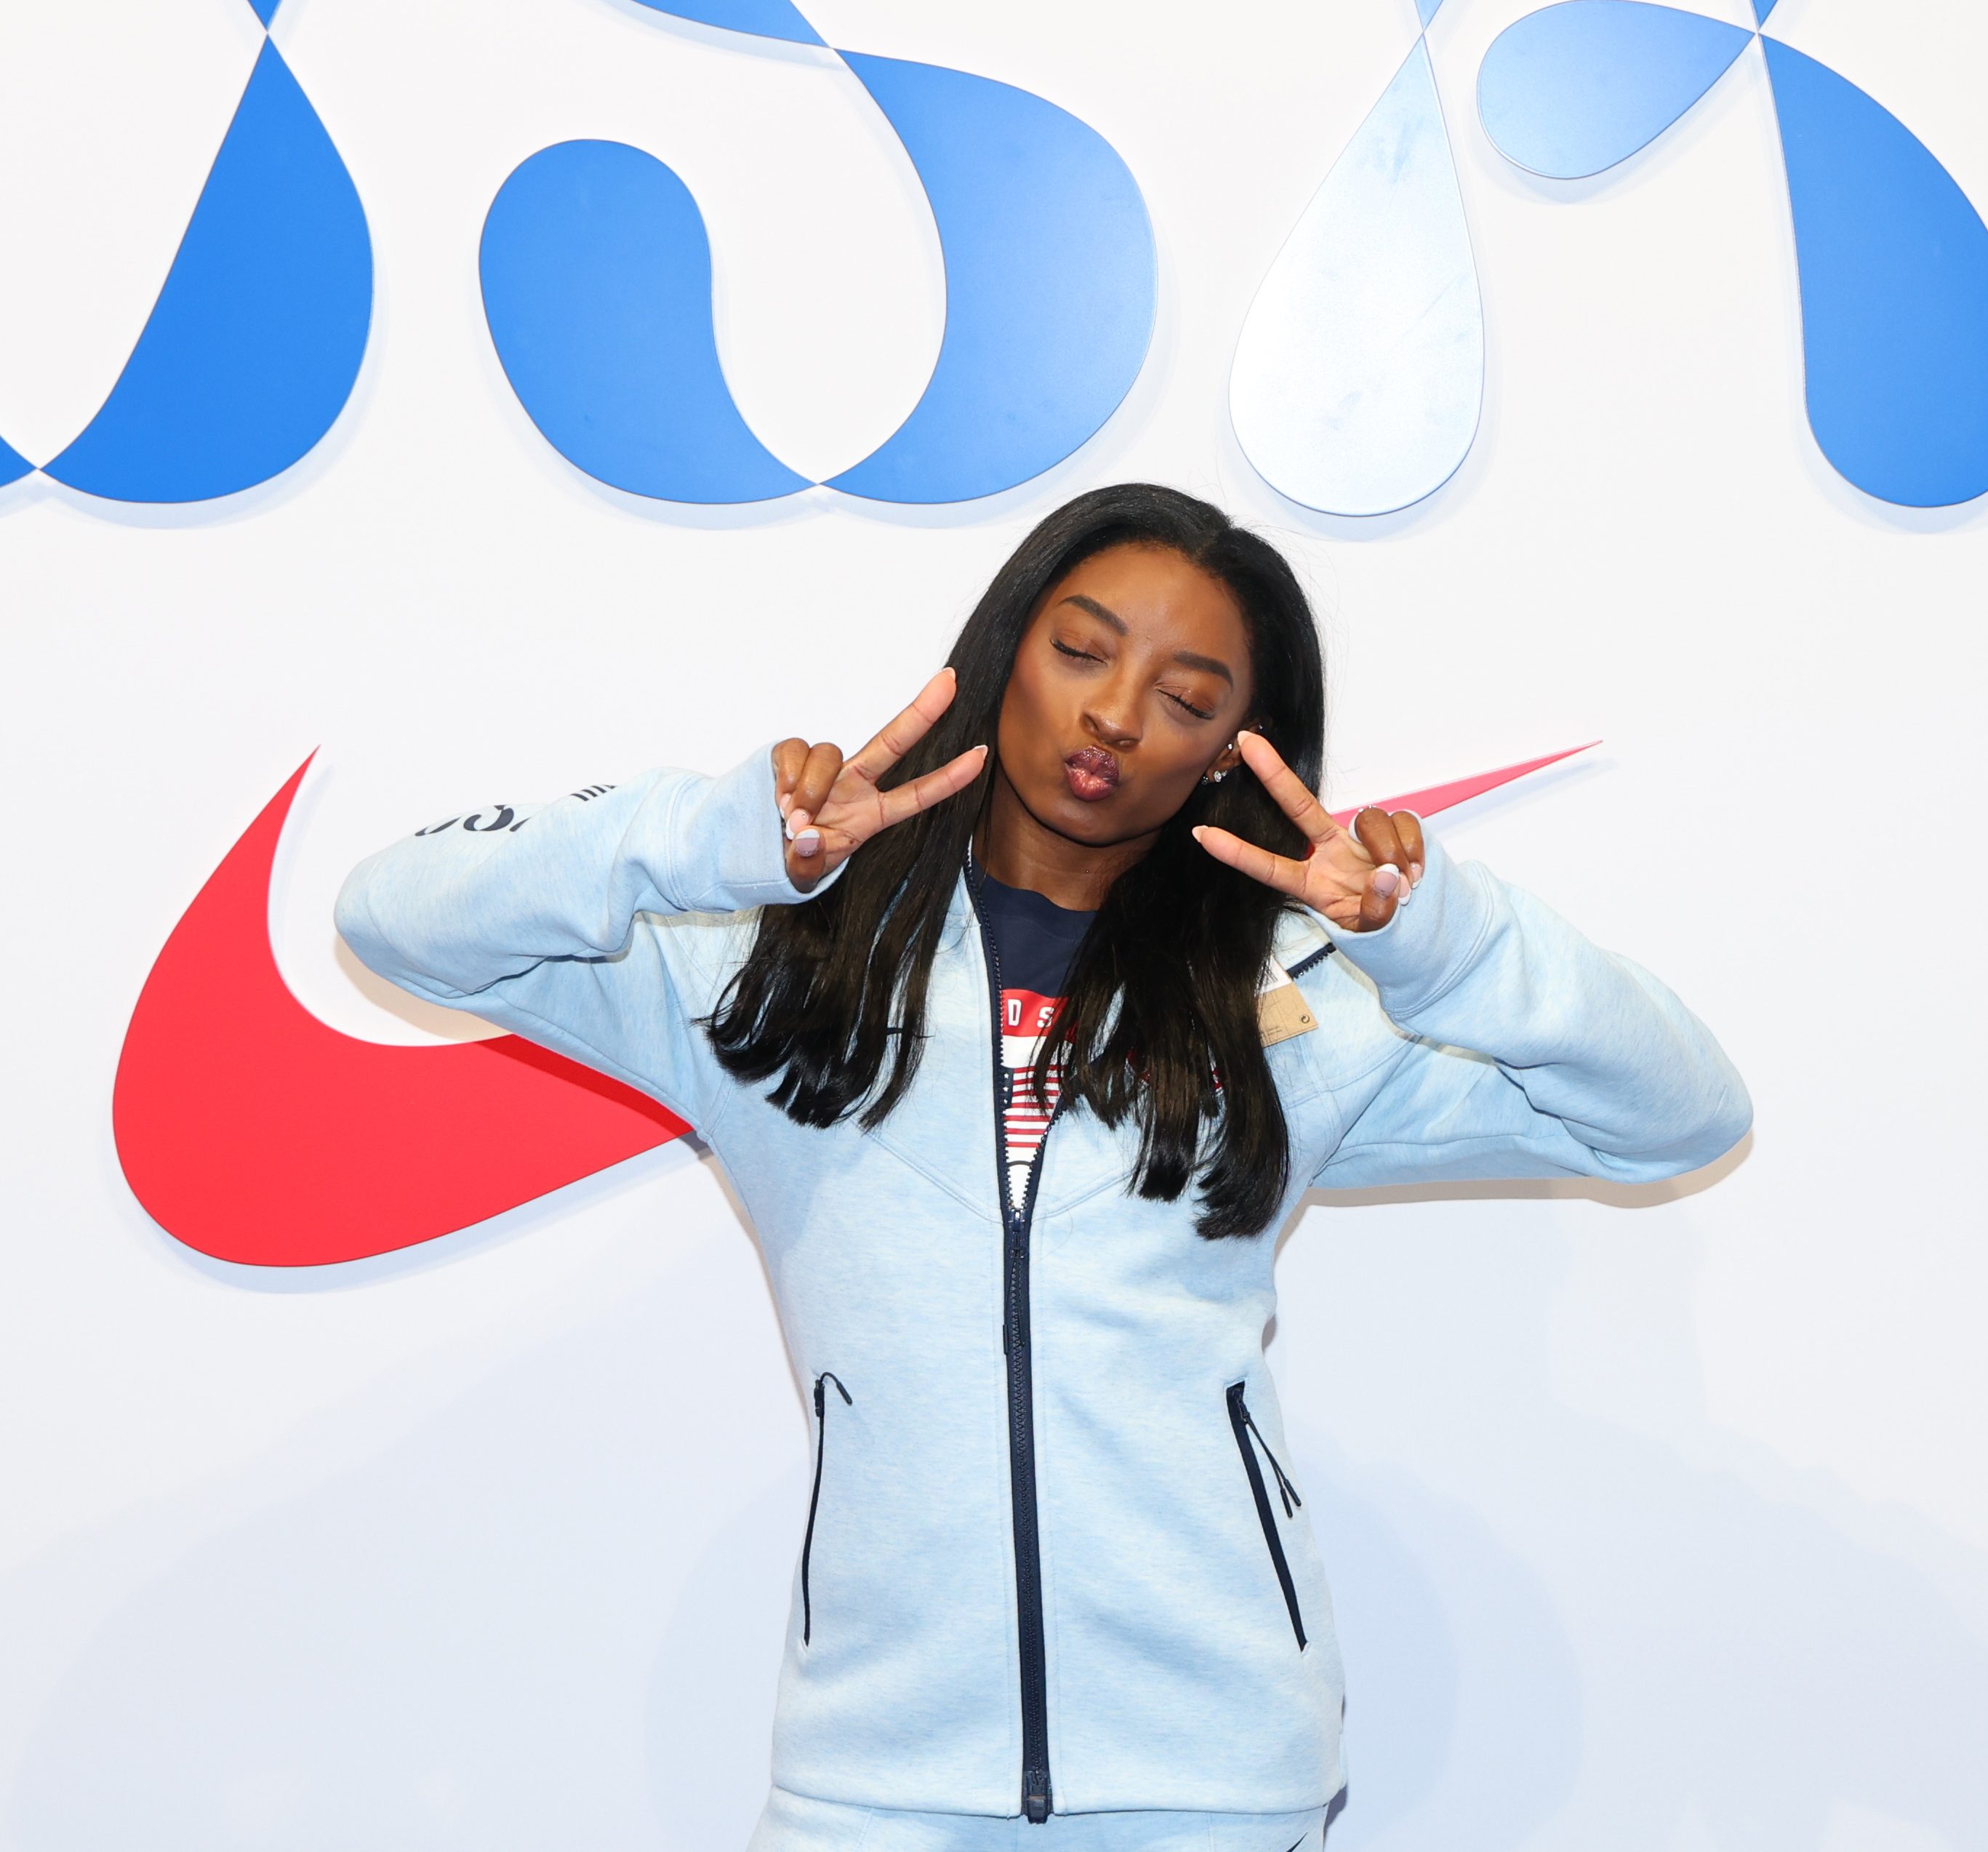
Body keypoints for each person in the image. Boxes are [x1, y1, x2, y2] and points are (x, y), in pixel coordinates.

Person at [336, 484, 1749, 1851]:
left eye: (1186, 698)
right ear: (1001, 647)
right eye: (1080, 649)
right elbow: (396, 917)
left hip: (1211, 1781)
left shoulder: (1290, 1003)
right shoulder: (772, 973)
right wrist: (703, 839)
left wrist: (1447, 939)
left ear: (1225, 751)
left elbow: (1674, 1110)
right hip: (872, 1779)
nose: (1116, 713)